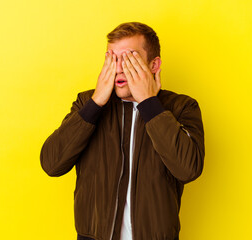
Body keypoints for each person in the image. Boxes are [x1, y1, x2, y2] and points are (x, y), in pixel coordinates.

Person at [40, 22, 205, 240]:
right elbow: (52, 164)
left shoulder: (182, 107)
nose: (118, 67)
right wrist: (96, 102)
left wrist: (148, 103)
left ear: (154, 65)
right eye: (112, 58)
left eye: (129, 58)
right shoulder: (87, 103)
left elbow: (188, 168)